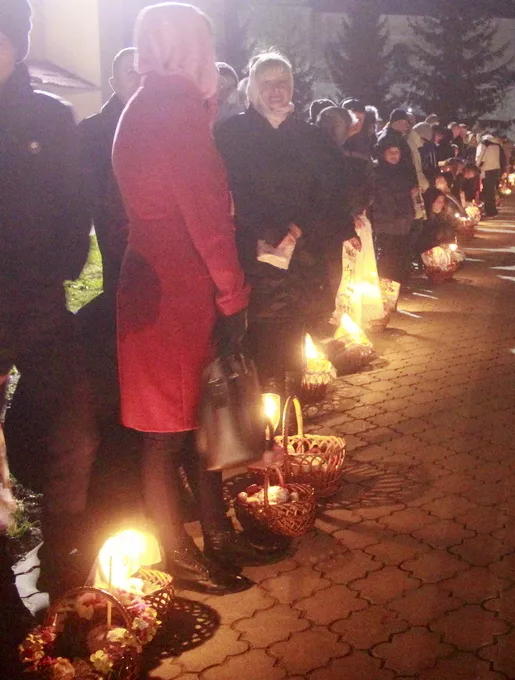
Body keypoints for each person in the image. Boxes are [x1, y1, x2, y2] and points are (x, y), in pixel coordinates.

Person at [113, 2, 255, 593]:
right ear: (191, 51)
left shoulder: (143, 106)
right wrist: (233, 295)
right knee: (172, 427)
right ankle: (179, 550)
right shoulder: (177, 113)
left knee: (178, 423)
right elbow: (208, 223)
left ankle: (211, 534)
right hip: (179, 289)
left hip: (150, 281)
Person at [0, 0, 99, 602]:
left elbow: (74, 201)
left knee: (75, 429)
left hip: (37, 298)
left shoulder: (49, 118)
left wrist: (59, 265)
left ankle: (64, 560)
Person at [216, 50, 349, 393]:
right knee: (257, 353)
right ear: (252, 88)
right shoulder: (231, 134)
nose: (276, 91)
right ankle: (262, 428)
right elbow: (227, 192)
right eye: (267, 83)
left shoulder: (310, 137)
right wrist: (260, 233)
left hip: (302, 261)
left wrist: (299, 228)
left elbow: (330, 191)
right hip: (253, 261)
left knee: (292, 353)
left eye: (283, 83)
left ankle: (289, 423)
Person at [79, 48, 140, 294]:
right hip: (115, 228)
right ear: (114, 83)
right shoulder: (94, 130)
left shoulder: (162, 125)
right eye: (130, 73)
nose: (139, 79)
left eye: (143, 72)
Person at [371, 139, 416, 285]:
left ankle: (400, 283)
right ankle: (387, 286)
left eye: (396, 152)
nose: (393, 155)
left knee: (401, 253)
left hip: (403, 221)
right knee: (386, 255)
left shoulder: (403, 170)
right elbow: (379, 196)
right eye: (390, 152)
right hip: (386, 221)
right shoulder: (377, 172)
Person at [477, 133, 503, 217]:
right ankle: (493, 209)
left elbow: (480, 158)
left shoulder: (483, 146)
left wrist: (476, 166)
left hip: (486, 170)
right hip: (495, 170)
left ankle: (489, 210)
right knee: (492, 190)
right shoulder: (497, 147)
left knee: (487, 191)